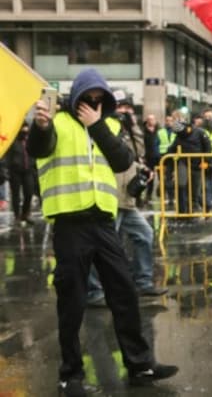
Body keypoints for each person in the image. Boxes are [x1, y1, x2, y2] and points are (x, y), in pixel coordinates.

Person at [26, 69, 177, 396]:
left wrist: (97, 124)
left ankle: (140, 365)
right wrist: (39, 126)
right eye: (87, 99)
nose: (92, 105)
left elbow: (123, 161)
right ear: (76, 96)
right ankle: (70, 376)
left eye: (99, 100)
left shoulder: (108, 124)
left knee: (124, 291)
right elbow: (38, 149)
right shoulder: (56, 121)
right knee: (72, 302)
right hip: (69, 223)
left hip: (104, 222)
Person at [87, 94, 168, 305]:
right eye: (122, 108)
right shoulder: (102, 127)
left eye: (129, 109)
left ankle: (142, 282)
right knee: (103, 245)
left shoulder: (126, 129)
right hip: (110, 197)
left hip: (126, 198)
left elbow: (135, 154)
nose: (126, 112)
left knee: (145, 234)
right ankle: (94, 291)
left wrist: (142, 168)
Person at [167, 118, 211, 215]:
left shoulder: (200, 133)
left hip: (198, 164)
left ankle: (203, 207)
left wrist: (206, 161)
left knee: (195, 189)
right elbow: (172, 149)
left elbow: (208, 148)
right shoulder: (179, 137)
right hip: (184, 163)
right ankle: (183, 210)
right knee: (181, 185)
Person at [6, 123, 35, 226]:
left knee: (29, 193)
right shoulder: (12, 140)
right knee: (16, 195)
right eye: (23, 128)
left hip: (28, 170)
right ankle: (17, 216)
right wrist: (7, 169)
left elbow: (34, 153)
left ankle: (25, 214)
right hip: (15, 171)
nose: (25, 130)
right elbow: (8, 156)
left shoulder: (29, 140)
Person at [142, 114, 160, 206]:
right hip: (148, 157)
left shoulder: (159, 131)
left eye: (153, 119)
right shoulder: (143, 132)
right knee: (149, 177)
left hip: (160, 157)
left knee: (162, 177)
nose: (151, 121)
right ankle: (147, 196)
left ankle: (161, 192)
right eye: (149, 119)